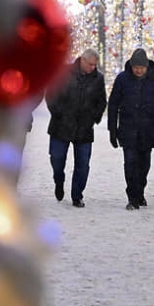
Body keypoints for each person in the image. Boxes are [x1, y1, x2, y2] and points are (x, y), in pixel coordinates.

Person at [107, 48, 154, 210]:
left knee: (144, 164)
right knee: (129, 163)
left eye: (141, 68)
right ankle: (132, 197)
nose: (138, 70)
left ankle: (140, 191)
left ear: (146, 67)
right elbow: (113, 104)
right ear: (131, 66)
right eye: (136, 67)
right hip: (127, 129)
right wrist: (112, 129)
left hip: (148, 129)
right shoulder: (122, 79)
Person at [45, 48, 107, 208]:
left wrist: (93, 117)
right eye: (91, 64)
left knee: (83, 164)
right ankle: (59, 180)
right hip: (61, 125)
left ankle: (77, 195)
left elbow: (101, 102)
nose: (93, 67)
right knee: (57, 159)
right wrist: (58, 113)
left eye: (95, 65)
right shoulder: (63, 73)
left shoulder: (98, 79)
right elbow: (51, 93)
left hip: (84, 128)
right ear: (82, 60)